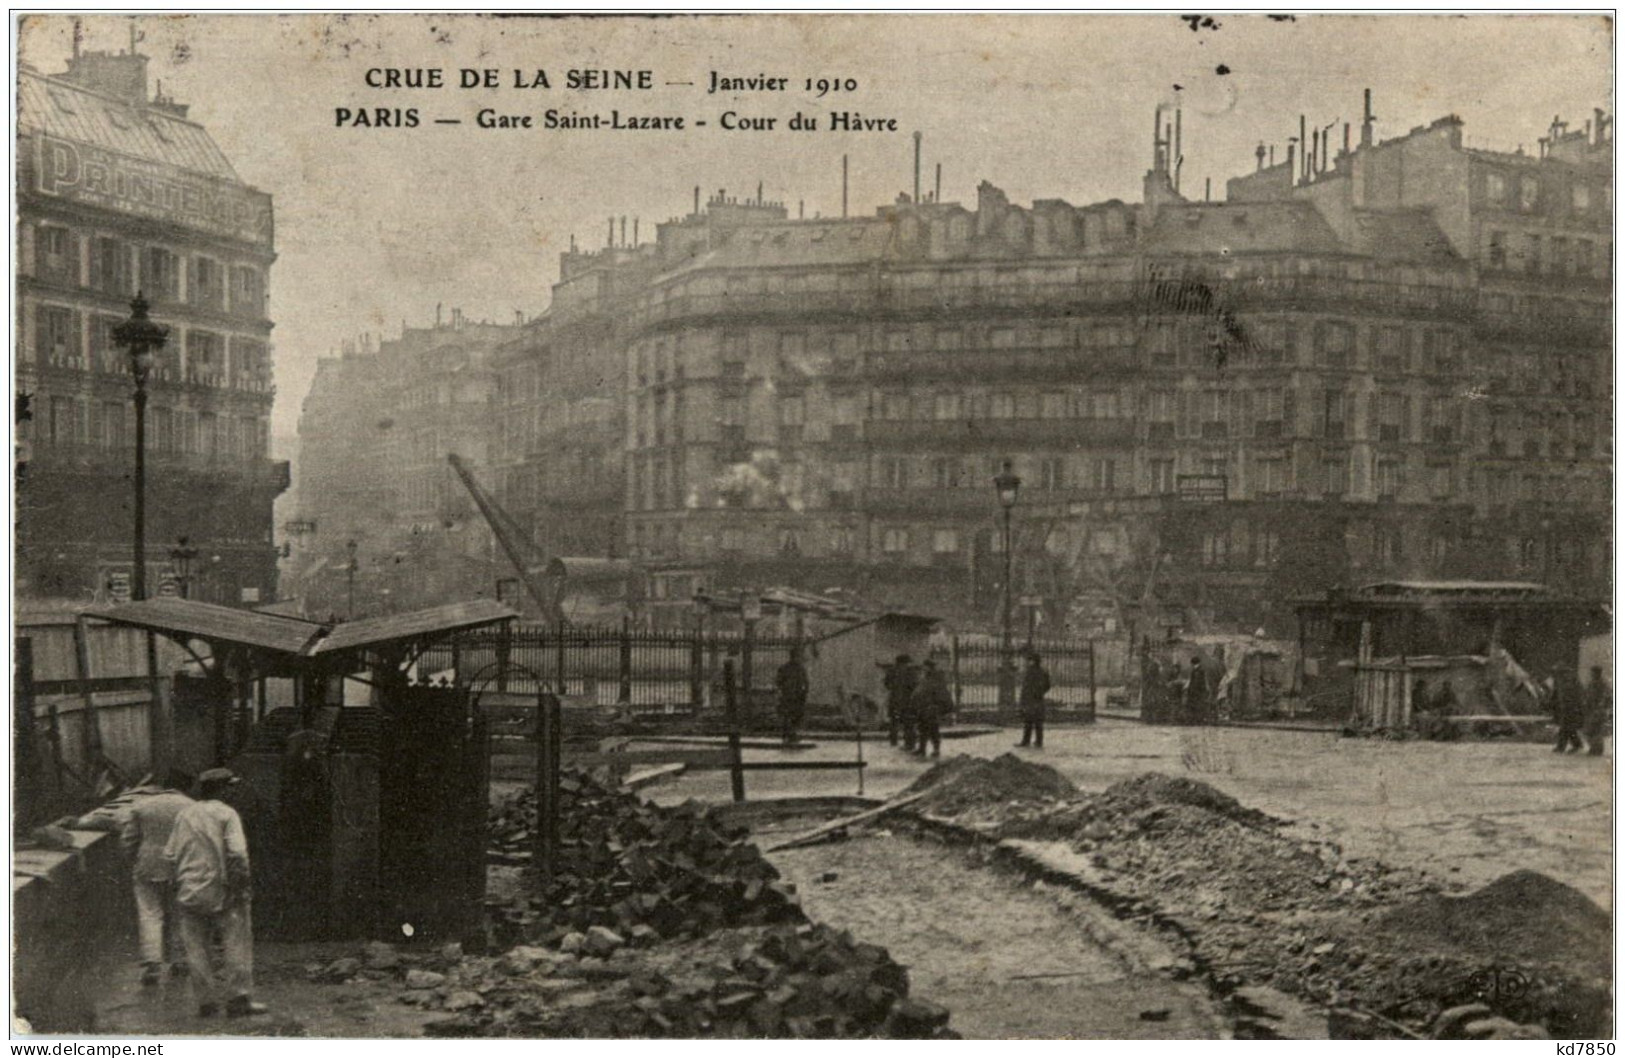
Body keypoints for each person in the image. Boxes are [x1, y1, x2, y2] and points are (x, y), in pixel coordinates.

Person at [165, 767, 264, 1019]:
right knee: (236, 942)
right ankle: (238, 999)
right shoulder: (227, 813)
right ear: (222, 789)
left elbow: (170, 854)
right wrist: (241, 888)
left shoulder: (184, 814)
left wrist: (176, 884)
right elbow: (238, 853)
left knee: (196, 947)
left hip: (189, 887)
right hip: (223, 889)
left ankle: (206, 1002)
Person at [121, 770, 195, 986]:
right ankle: (180, 961)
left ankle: (152, 963)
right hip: (180, 865)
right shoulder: (192, 807)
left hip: (148, 864)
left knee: (150, 913)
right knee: (180, 913)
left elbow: (128, 839)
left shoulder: (143, 806)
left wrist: (132, 859)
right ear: (187, 787)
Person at [911, 657, 954, 758]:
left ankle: (935, 749)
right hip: (923, 707)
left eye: (925, 667)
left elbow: (939, 693)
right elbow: (919, 690)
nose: (923, 669)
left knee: (933, 729)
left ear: (929, 667)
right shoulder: (926, 678)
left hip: (931, 707)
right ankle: (922, 749)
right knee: (923, 728)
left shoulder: (935, 678)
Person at [883, 654, 922, 752]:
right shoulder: (911, 672)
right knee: (908, 722)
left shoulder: (891, 671)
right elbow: (915, 685)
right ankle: (909, 743)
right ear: (905, 662)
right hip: (907, 701)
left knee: (894, 721)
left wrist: (894, 689)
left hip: (895, 701)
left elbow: (887, 684)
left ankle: (893, 741)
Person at [774, 647, 810, 746]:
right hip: (790, 696)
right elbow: (778, 681)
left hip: (795, 696)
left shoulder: (798, 668)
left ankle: (790, 735)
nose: (799, 658)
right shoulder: (788, 668)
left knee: (794, 716)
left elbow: (806, 682)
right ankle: (788, 735)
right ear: (794, 656)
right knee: (789, 716)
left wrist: (804, 692)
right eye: (798, 656)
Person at [1017, 651, 1052, 749]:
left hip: (1030, 699)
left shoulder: (1030, 672)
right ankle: (1039, 742)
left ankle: (1026, 741)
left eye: (1029, 660)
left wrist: (1023, 699)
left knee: (1028, 721)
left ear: (1032, 661)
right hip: (1038, 699)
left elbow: (1026, 687)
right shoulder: (1043, 671)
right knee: (1038, 722)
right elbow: (1048, 685)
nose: (1027, 662)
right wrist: (1041, 693)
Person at [1551, 668, 1586, 754]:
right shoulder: (1561, 682)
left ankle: (1564, 746)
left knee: (1566, 728)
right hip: (1565, 708)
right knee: (1568, 728)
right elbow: (1557, 695)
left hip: (1571, 708)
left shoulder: (1569, 682)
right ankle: (1574, 745)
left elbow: (1576, 695)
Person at [1582, 665, 1610, 757]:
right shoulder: (1592, 683)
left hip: (1598, 709)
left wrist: (1600, 706)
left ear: (1597, 673)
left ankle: (1596, 749)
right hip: (1591, 709)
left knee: (1595, 730)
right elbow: (1587, 695)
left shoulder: (1602, 684)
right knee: (1591, 730)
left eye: (1593, 672)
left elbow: (1605, 697)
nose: (1591, 674)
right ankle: (1595, 749)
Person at [1183, 656, 1212, 726]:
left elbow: (1196, 682)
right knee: (1199, 706)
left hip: (1195, 692)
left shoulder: (1197, 671)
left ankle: (1195, 720)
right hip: (1200, 691)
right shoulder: (1201, 670)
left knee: (1195, 706)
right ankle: (1198, 720)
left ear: (1193, 663)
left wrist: (1189, 690)